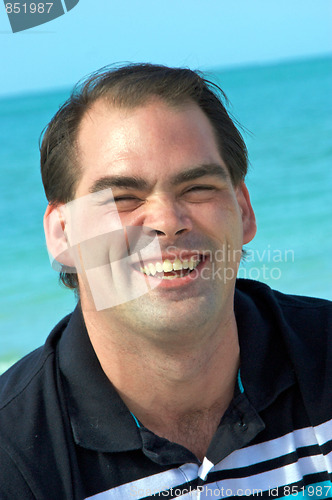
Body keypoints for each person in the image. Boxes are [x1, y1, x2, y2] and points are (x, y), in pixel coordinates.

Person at [0, 63, 331, 500]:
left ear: (244, 211)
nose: (166, 222)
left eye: (197, 188)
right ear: (62, 234)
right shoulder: (15, 455)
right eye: (123, 198)